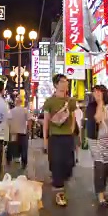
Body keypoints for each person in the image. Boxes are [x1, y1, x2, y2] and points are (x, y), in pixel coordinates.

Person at [43, 74, 78, 206]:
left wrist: (71, 133)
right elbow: (46, 121)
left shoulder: (71, 101)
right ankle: (59, 193)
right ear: (56, 84)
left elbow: (73, 119)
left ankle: (61, 184)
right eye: (62, 82)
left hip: (68, 138)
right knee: (57, 164)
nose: (65, 84)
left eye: (66, 81)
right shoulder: (49, 102)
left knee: (68, 164)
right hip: (55, 137)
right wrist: (45, 139)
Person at [85, 85, 108, 206]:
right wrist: (99, 103)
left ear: (105, 92)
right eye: (94, 92)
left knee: (106, 166)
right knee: (99, 165)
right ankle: (100, 196)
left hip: (107, 139)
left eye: (99, 92)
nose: (96, 94)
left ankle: (102, 190)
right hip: (95, 139)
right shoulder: (91, 106)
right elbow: (97, 119)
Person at [7, 96, 31, 169]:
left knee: (11, 146)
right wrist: (29, 130)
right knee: (24, 148)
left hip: (13, 132)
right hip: (22, 132)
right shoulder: (25, 110)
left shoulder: (11, 111)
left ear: (15, 102)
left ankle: (9, 160)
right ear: (21, 102)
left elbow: (8, 122)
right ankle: (24, 163)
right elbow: (29, 121)